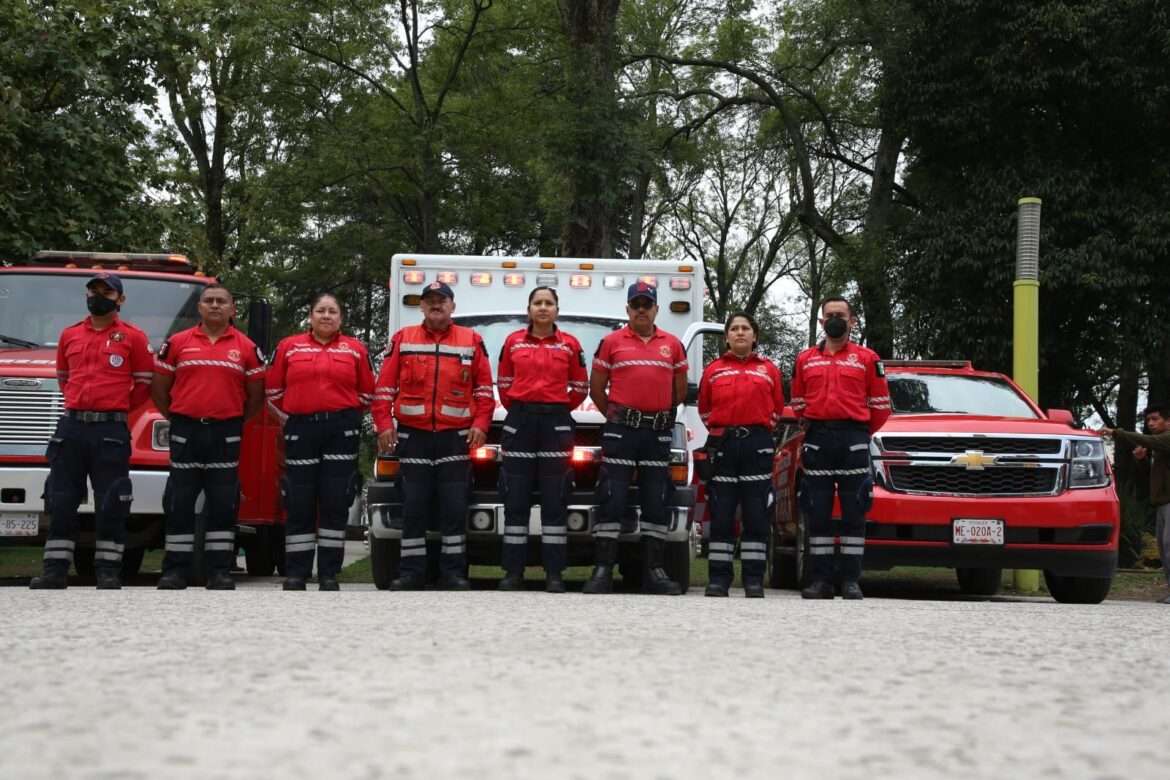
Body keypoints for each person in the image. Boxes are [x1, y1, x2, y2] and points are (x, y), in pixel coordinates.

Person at [30, 272, 153, 590]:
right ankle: (55, 570)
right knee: (61, 500)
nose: (98, 296)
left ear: (120, 300)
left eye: (106, 292)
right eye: (93, 290)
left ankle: (108, 570)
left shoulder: (133, 337)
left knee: (112, 502)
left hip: (109, 430)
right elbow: (63, 378)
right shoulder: (69, 335)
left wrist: (115, 407)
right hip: (71, 427)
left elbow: (143, 385)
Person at [372, 280, 493, 591]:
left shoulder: (471, 340)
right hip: (414, 436)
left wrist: (481, 423)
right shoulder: (403, 339)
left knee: (454, 507)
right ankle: (412, 573)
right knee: (413, 506)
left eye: (442, 300)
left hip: (456, 436)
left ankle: (453, 573)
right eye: (430, 301)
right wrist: (384, 424)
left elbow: (483, 390)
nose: (436, 305)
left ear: (453, 306)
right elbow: (384, 388)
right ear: (422, 306)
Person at [151, 283, 265, 590]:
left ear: (232, 309)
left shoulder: (246, 347)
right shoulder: (177, 343)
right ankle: (175, 571)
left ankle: (219, 571)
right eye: (209, 301)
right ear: (199, 308)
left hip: (225, 431)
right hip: (185, 429)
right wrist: (177, 416)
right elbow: (160, 389)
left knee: (223, 503)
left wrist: (234, 418)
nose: (215, 305)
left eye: (221, 301)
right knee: (179, 501)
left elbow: (256, 397)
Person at [582, 281, 688, 596]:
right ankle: (602, 570)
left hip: (656, 432)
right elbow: (596, 389)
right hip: (621, 431)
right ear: (628, 309)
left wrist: (658, 413)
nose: (642, 310)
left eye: (647, 304)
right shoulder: (611, 342)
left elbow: (679, 390)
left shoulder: (672, 344)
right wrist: (618, 416)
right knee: (612, 496)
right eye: (636, 304)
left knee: (656, 498)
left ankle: (654, 572)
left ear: (656, 308)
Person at [266, 293, 375, 591]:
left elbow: (367, 393)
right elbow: (273, 390)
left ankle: (329, 573)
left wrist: (344, 415)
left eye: (332, 311)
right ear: (310, 316)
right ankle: (297, 572)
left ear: (341, 318)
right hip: (301, 428)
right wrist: (292, 418)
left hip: (340, 430)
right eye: (320, 311)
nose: (326, 316)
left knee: (334, 500)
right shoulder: (289, 347)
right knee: (299, 500)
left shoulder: (355, 349)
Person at [790, 296, 890, 600]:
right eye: (829, 315)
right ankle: (820, 581)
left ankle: (850, 581)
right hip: (818, 438)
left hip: (854, 438)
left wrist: (860, 432)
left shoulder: (868, 359)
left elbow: (881, 406)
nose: (835, 319)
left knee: (854, 510)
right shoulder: (805, 359)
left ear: (852, 321)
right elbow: (797, 402)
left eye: (841, 315)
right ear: (821, 322)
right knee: (817, 511)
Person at [495, 287, 589, 593]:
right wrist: (524, 406)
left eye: (549, 303)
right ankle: (512, 573)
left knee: (555, 501)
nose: (543, 308)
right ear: (529, 309)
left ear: (557, 311)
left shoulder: (570, 345)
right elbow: (505, 383)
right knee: (516, 501)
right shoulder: (513, 342)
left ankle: (554, 574)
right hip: (520, 423)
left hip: (556, 424)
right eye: (538, 303)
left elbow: (580, 387)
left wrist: (557, 405)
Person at [697, 312, 785, 598]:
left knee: (756, 514)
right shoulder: (713, 370)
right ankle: (719, 579)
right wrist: (725, 430)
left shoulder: (769, 370)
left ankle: (753, 580)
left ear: (754, 335)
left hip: (757, 444)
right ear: (726, 337)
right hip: (723, 444)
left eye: (745, 328)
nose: (739, 333)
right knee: (721, 514)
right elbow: (705, 409)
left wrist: (758, 429)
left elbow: (777, 409)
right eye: (733, 328)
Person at [1103, 403, 1170, 604]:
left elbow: (1147, 440)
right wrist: (1141, 461)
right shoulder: (1160, 447)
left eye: (1155, 419)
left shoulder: (1166, 439)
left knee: (1168, 546)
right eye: (1148, 420)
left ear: (1168, 421)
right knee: (1164, 548)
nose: (1150, 423)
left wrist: (1116, 432)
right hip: (1162, 504)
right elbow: (1148, 480)